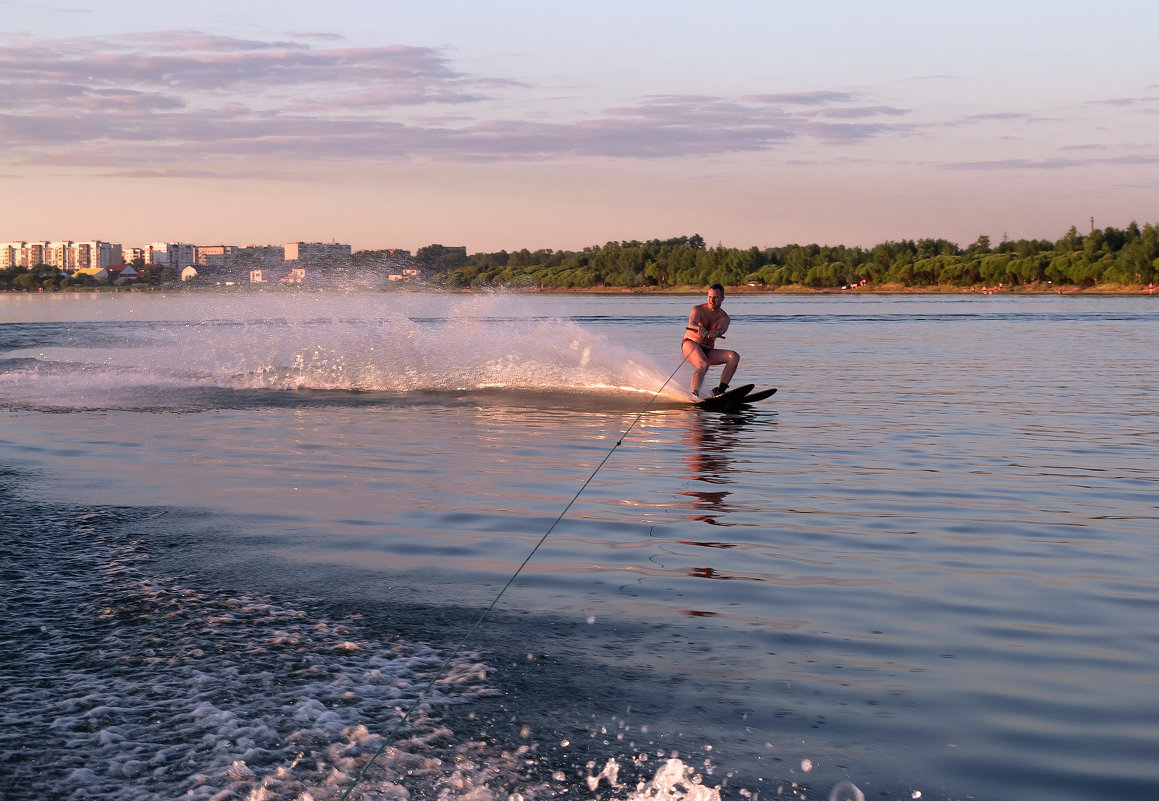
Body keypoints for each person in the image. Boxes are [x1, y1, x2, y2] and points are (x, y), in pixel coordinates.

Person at [681, 283, 739, 397]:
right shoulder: (697, 309)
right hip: (690, 344)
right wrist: (698, 328)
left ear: (722, 298)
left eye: (715, 297)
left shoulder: (724, 317)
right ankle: (694, 394)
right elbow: (692, 323)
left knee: (734, 357)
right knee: (703, 364)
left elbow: (722, 329)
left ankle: (720, 391)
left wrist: (716, 332)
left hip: (707, 350)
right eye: (709, 297)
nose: (711, 300)